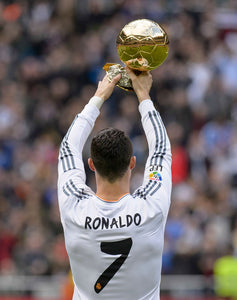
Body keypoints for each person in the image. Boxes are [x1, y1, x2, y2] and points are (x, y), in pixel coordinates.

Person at [57, 67, 172, 300]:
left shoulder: (74, 207)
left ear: (91, 164)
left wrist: (98, 97)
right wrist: (144, 96)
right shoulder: (151, 206)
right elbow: (160, 150)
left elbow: (68, 149)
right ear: (132, 163)